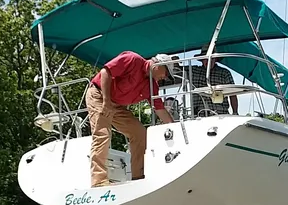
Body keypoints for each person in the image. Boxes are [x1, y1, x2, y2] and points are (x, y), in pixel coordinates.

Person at [86, 51, 176, 187]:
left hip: (116, 105)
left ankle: (138, 178)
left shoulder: (152, 86)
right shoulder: (132, 60)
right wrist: (106, 101)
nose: (164, 77)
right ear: (158, 65)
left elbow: (160, 109)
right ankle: (98, 181)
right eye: (166, 73)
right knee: (102, 134)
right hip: (99, 96)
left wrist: (175, 129)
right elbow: (106, 72)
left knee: (139, 133)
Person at [186, 45, 238, 117]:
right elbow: (176, 70)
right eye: (206, 58)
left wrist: (235, 112)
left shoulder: (225, 73)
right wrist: (174, 63)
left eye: (211, 58)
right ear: (202, 59)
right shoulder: (193, 71)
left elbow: (233, 94)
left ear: (215, 59)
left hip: (221, 114)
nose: (208, 61)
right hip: (199, 115)